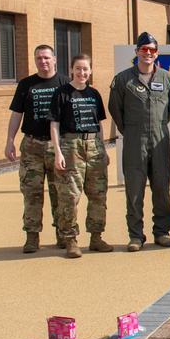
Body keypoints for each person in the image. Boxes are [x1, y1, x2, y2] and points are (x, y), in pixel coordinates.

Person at [109, 32, 170, 252]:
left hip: (159, 138)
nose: (148, 53)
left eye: (152, 50)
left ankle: (162, 232)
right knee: (134, 189)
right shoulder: (123, 79)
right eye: (144, 49)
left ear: (157, 53)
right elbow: (115, 109)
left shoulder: (166, 78)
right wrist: (130, 130)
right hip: (134, 140)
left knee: (161, 187)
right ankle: (136, 236)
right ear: (136, 51)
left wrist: (157, 125)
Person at [5, 45, 69, 253]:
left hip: (57, 146)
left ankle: (63, 234)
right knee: (31, 192)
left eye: (46, 58)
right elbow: (16, 114)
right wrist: (9, 140)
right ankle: (32, 236)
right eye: (39, 58)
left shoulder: (65, 83)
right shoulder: (26, 84)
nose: (43, 61)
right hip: (32, 145)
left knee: (59, 192)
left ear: (54, 59)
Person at [48, 54, 112, 259]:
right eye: (78, 69)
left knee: (98, 194)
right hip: (71, 146)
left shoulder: (94, 94)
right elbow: (55, 124)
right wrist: (57, 151)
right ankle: (70, 240)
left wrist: (102, 149)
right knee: (69, 195)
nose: (82, 73)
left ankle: (96, 237)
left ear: (90, 71)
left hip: (94, 146)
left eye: (85, 69)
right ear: (71, 69)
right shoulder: (62, 93)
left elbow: (99, 123)